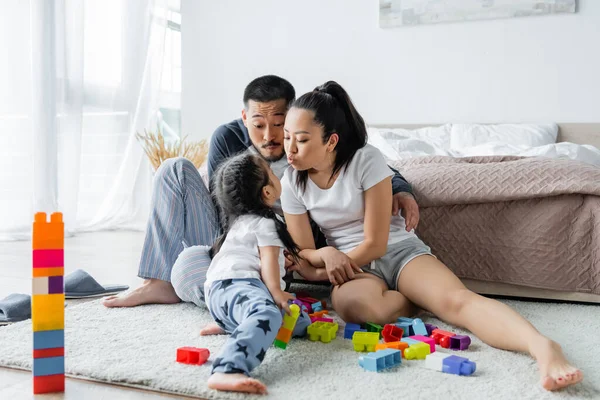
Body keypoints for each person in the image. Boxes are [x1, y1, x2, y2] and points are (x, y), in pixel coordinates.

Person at [279, 80, 583, 391]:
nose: (289, 149)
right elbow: (303, 250)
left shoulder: (366, 159)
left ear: (331, 141)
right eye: (287, 137)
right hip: (355, 268)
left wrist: (326, 267)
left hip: (396, 252)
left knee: (458, 303)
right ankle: (416, 299)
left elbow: (376, 243)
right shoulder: (291, 181)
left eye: (301, 140)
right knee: (354, 308)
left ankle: (542, 346)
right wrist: (327, 256)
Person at [102, 75, 419, 309]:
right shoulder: (227, 139)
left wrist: (401, 188)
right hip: (231, 234)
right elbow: (223, 204)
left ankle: (238, 295)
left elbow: (365, 164)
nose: (270, 136)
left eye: (279, 124)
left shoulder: (308, 150)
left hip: (283, 249)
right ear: (244, 119)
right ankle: (160, 282)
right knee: (173, 171)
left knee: (188, 271)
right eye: (258, 125)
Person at [200, 152, 310, 394]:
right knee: (269, 313)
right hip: (239, 285)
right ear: (267, 193)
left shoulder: (239, 222)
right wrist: (277, 292)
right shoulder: (266, 223)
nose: (276, 174)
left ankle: (232, 322)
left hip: (218, 293)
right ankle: (227, 369)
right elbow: (269, 264)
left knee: (299, 321)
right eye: (272, 173)